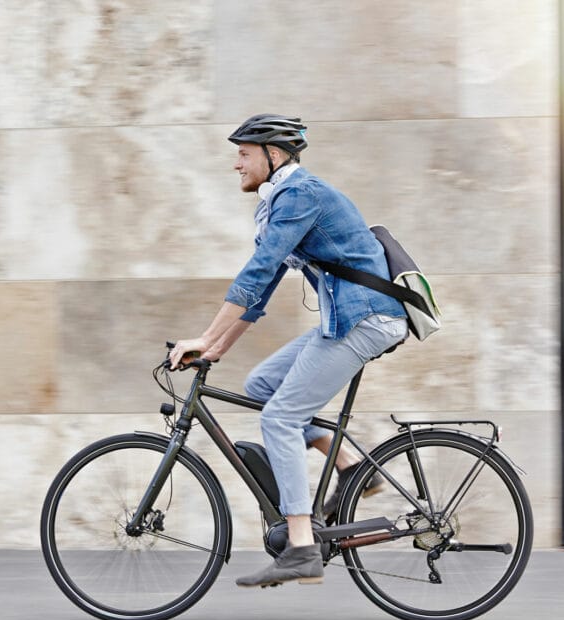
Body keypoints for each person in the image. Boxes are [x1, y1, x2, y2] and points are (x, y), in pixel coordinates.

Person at [168, 114, 408, 588]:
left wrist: (203, 336)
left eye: (244, 153)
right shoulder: (284, 201)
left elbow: (256, 272)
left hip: (365, 318)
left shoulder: (300, 195)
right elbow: (261, 292)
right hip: (348, 317)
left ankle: (301, 547)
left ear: (273, 156)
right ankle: (352, 466)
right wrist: (214, 348)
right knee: (261, 385)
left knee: (278, 418)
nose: (236, 163)